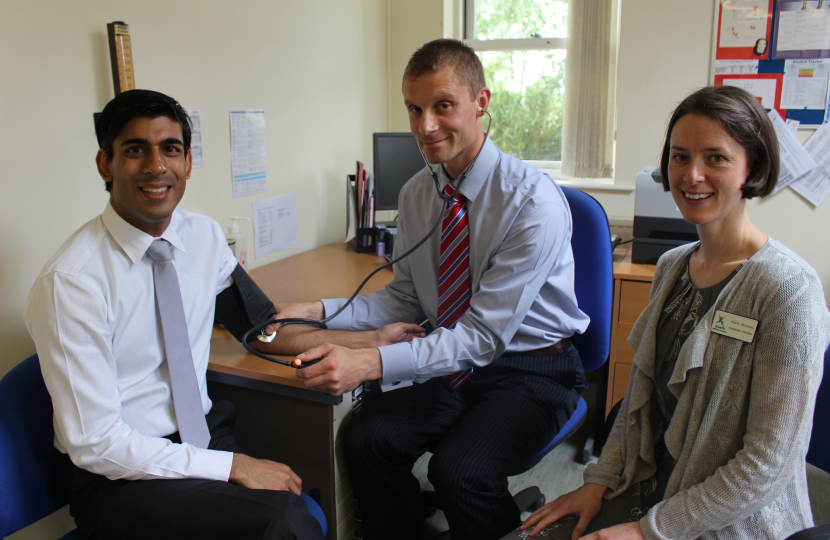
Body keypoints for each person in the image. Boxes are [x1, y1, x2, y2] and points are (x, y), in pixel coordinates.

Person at [272, 39, 590, 540]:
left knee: (459, 470)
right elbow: (407, 298)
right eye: (415, 109)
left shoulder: (533, 203)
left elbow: (484, 337)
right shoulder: (419, 193)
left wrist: (370, 362)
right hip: (452, 356)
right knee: (366, 439)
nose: (425, 127)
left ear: (481, 103)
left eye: (443, 106)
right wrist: (314, 310)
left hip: (530, 366)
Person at [507, 85, 830, 540]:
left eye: (715, 158)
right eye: (680, 157)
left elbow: (767, 466)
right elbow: (638, 403)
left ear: (751, 168)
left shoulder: (789, 289)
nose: (691, 174)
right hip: (649, 487)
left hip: (728, 520)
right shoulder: (672, 266)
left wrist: (648, 531)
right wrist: (598, 483)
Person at [24, 89, 327, 540]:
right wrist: (234, 466)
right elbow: (97, 443)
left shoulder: (202, 236)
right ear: (105, 164)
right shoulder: (71, 282)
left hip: (203, 433)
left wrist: (369, 342)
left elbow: (257, 328)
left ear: (187, 163)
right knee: (282, 522)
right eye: (134, 150)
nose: (156, 166)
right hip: (118, 476)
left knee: (294, 504)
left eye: (170, 149)